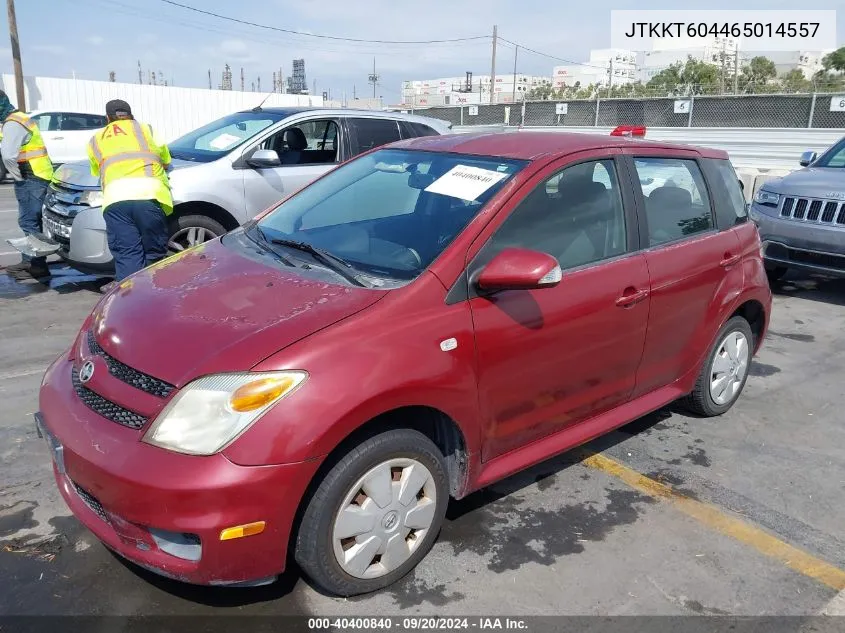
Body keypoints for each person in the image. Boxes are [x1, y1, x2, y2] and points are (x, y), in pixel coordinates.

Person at [87, 99, 173, 292]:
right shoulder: (146, 129)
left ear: (107, 118)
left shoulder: (95, 139)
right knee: (154, 250)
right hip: (149, 195)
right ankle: (155, 293)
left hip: (116, 200)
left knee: (128, 253)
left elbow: (97, 171)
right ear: (130, 114)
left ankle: (129, 298)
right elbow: (166, 160)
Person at [0, 90, 54, 281]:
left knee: (28, 221)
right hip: (37, 175)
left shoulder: (13, 123)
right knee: (32, 220)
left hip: (31, 177)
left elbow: (8, 155)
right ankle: (32, 261)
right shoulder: (17, 119)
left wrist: (17, 177)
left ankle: (37, 266)